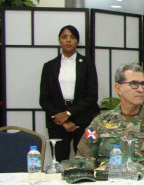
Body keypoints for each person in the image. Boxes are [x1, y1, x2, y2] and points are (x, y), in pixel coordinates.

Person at [77, 63, 144, 173]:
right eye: (134, 84)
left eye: (143, 84)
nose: (141, 89)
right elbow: (83, 157)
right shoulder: (99, 123)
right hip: (108, 184)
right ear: (118, 88)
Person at [39, 25, 100, 161]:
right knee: (60, 160)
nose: (68, 40)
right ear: (59, 40)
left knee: (87, 158)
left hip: (84, 119)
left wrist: (68, 114)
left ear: (77, 41)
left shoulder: (87, 63)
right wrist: (61, 119)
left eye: (72, 37)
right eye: (64, 37)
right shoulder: (49, 66)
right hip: (57, 122)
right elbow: (44, 99)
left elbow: (92, 96)